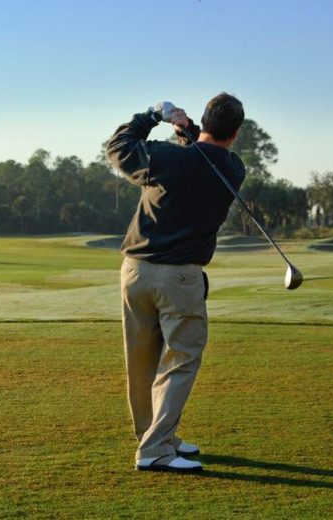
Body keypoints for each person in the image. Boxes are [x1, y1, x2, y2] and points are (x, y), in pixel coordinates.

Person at [106, 93, 246, 473]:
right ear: (234, 134)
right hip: (180, 276)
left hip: (135, 271)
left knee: (142, 360)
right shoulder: (233, 168)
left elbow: (118, 147)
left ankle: (156, 438)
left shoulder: (164, 158)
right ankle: (155, 447)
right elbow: (205, 155)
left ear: (203, 118)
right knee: (180, 360)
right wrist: (189, 132)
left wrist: (152, 115)